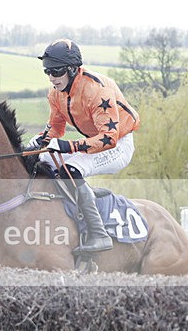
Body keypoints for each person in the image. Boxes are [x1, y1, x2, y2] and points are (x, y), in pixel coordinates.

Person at [28, 38, 140, 253]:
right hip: (95, 141)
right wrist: (38, 141)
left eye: (56, 71)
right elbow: (55, 129)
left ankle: (99, 234)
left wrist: (69, 146)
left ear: (72, 69)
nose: (52, 78)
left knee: (71, 169)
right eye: (47, 72)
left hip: (118, 145)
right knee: (41, 159)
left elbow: (109, 138)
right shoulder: (55, 93)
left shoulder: (97, 91)